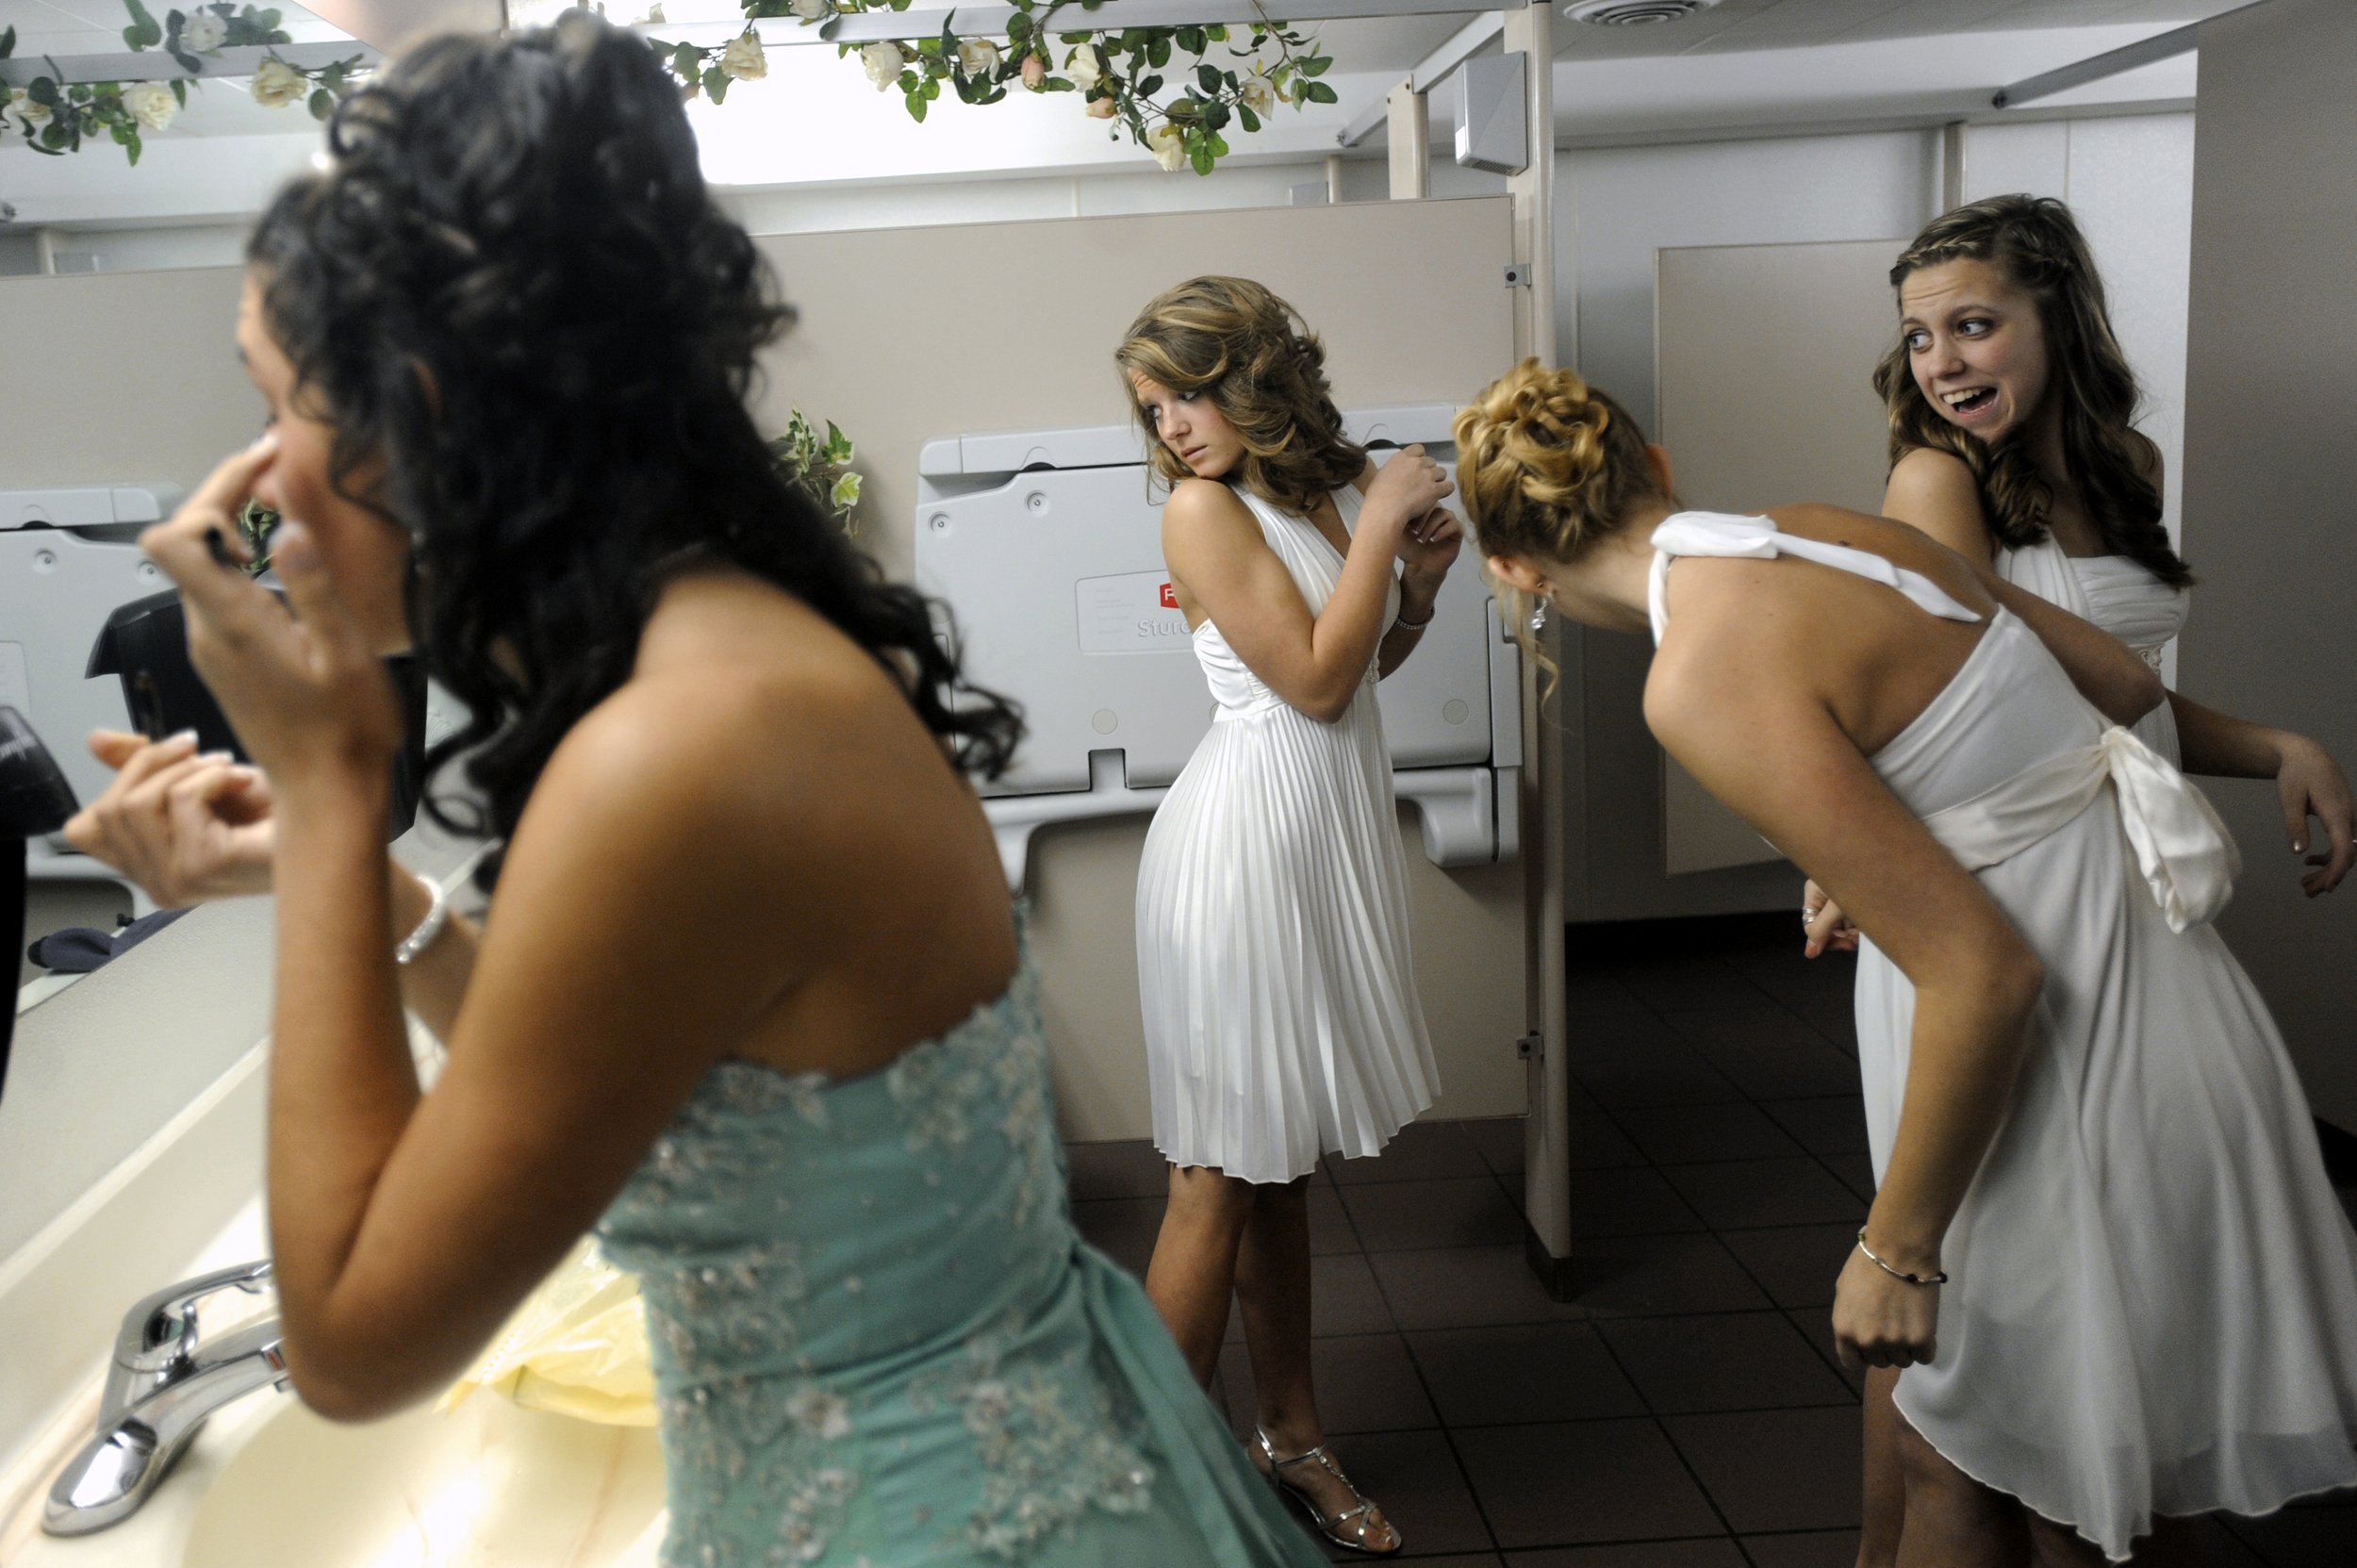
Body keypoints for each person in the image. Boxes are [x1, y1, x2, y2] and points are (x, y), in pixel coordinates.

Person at [63, 17, 1337, 1566]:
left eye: (282, 409)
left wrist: (333, 797)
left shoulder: (682, 750)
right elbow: (648, 1055)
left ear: (424, 409)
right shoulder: (724, 653)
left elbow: (349, 1342)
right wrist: (362, 885)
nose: (257, 480)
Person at [1455, 358, 2357, 1566]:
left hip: (2047, 1053)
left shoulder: (1696, 674)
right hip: (2159, 985)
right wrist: (1924, 835)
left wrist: (1897, 1248)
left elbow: (1984, 974)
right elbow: (2120, 688)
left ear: (1511, 569)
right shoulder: (1831, 533)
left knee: (2036, 1472)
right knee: (2057, 1458)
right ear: (1656, 469)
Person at [1820, 192, 2357, 1566]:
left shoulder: (2131, 462)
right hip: (1994, 903)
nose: (1943, 361)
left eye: (1975, 324)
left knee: (2105, 1270)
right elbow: (1913, 701)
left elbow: (2124, 713)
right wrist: (1846, 849)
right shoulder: (1931, 480)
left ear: (2058, 314)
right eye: (1922, 335)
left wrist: (2280, 742)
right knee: (1981, 1289)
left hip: (2127, 901)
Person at [1114, 276, 1460, 1556]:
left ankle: (1291, 1436)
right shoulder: (1203, 513)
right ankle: (1136, 1499)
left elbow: (1359, 663)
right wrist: (1378, 524)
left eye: (1188, 393)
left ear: (1254, 374)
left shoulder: (1314, 488)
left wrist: (1413, 586)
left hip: (1307, 841)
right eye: (1154, 407)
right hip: (1239, 854)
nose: (1173, 429)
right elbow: (1312, 686)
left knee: (1278, 1170)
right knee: (1216, 1175)